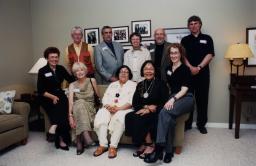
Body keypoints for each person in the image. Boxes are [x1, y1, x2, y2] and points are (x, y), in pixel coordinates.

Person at [144, 43, 194, 163]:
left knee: (164, 112)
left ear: (180, 54)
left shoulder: (185, 69)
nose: (173, 55)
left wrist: (172, 99)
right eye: (171, 53)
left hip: (186, 97)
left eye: (176, 52)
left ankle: (159, 149)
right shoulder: (167, 69)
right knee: (168, 117)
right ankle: (169, 151)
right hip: (173, 97)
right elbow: (167, 86)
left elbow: (184, 89)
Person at [125, 60, 169, 159]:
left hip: (157, 111)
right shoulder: (140, 85)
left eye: (151, 69)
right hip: (144, 109)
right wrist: (146, 107)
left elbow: (164, 101)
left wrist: (150, 109)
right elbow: (135, 103)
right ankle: (144, 143)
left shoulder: (161, 84)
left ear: (155, 71)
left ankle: (149, 145)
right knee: (130, 116)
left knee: (142, 117)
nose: (148, 71)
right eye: (146, 69)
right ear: (142, 71)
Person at [93, 65, 136, 158]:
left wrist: (119, 109)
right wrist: (107, 106)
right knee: (102, 114)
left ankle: (113, 146)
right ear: (118, 74)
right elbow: (105, 97)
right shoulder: (112, 85)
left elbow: (131, 101)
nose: (123, 73)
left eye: (126, 71)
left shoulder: (133, 85)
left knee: (121, 117)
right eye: (121, 71)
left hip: (124, 109)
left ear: (129, 74)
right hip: (109, 108)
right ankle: (102, 145)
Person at [181, 15, 215, 134]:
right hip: (188, 74)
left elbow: (210, 54)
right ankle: (187, 123)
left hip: (203, 75)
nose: (193, 26)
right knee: (187, 100)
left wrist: (199, 67)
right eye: (191, 24)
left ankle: (201, 124)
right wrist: (191, 68)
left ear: (200, 24)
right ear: (188, 27)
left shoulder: (207, 38)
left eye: (196, 23)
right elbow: (182, 56)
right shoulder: (185, 40)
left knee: (202, 100)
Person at [37, 47, 74, 150]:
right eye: (52, 57)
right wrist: (52, 97)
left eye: (56, 57)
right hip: (46, 97)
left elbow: (71, 80)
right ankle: (62, 140)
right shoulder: (42, 71)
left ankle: (54, 126)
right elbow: (40, 91)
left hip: (59, 94)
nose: (54, 59)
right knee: (60, 110)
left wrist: (78, 72)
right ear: (47, 58)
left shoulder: (61, 68)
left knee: (63, 109)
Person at [68, 62, 99, 155]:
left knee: (80, 103)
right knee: (79, 103)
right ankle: (86, 134)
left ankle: (79, 142)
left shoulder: (92, 80)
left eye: (81, 69)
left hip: (90, 107)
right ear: (74, 73)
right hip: (77, 108)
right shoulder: (72, 85)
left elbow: (97, 97)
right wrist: (70, 116)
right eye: (77, 71)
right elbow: (70, 102)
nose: (80, 72)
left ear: (85, 71)